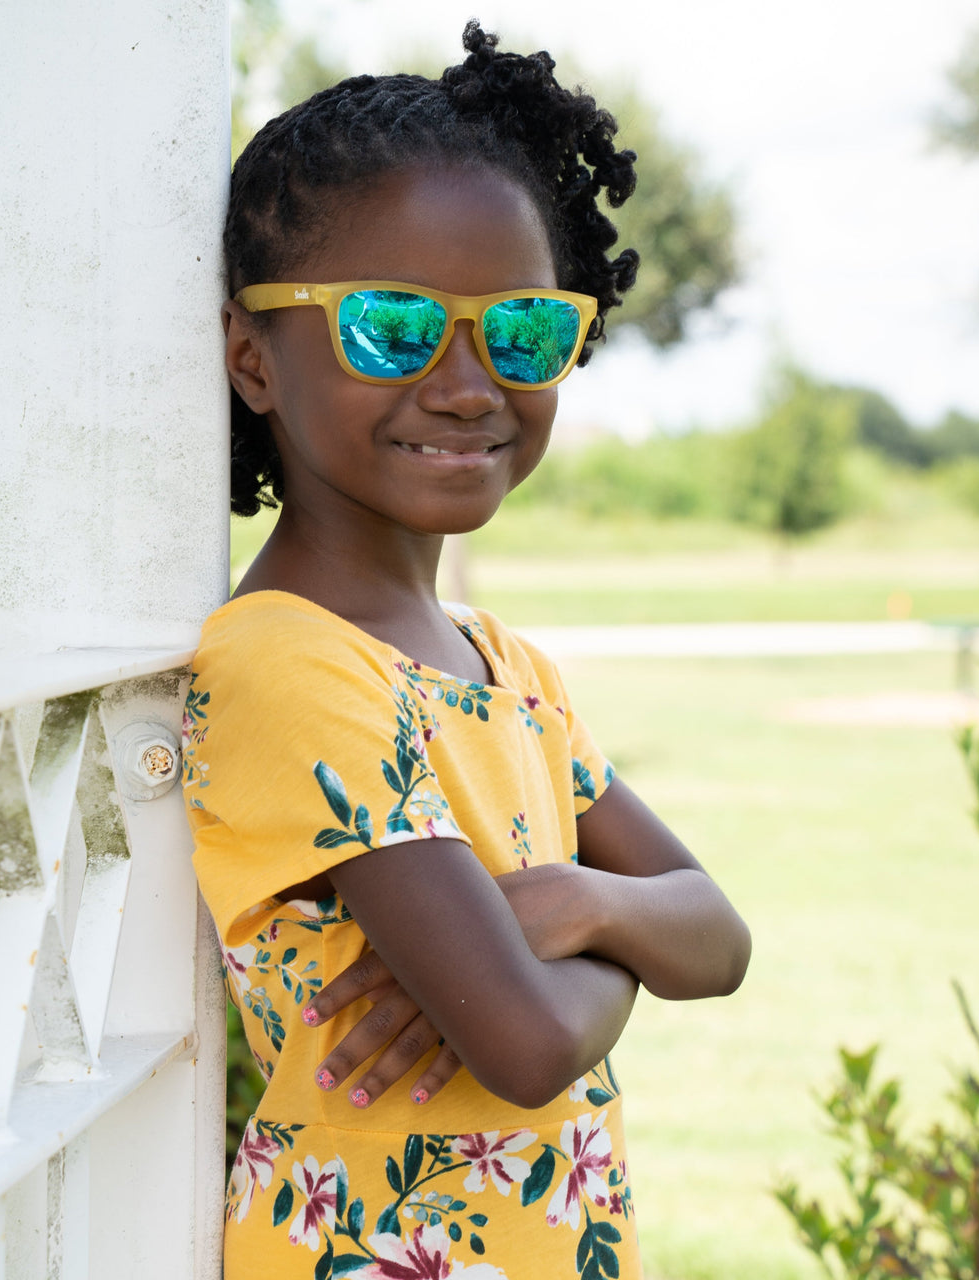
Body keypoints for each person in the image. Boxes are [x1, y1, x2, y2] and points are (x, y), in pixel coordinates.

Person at [182, 21, 752, 1280]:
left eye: (522, 331)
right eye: (394, 327)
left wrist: (566, 900)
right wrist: (610, 934)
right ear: (248, 357)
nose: (465, 382)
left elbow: (717, 933)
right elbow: (530, 1040)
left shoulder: (504, 665)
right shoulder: (285, 663)